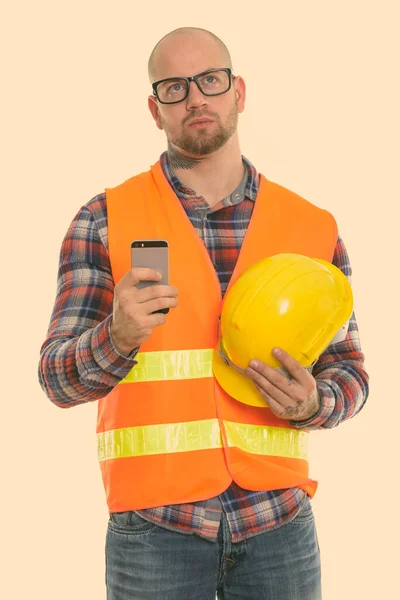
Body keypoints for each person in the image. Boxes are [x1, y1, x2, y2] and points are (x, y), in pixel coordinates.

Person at [38, 26, 369, 600]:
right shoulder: (106, 219)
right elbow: (57, 380)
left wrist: (317, 403)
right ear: (153, 108)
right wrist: (115, 336)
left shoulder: (313, 228)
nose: (195, 97)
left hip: (279, 526)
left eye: (209, 80)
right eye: (173, 86)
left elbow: (350, 372)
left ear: (238, 91)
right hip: (154, 533)